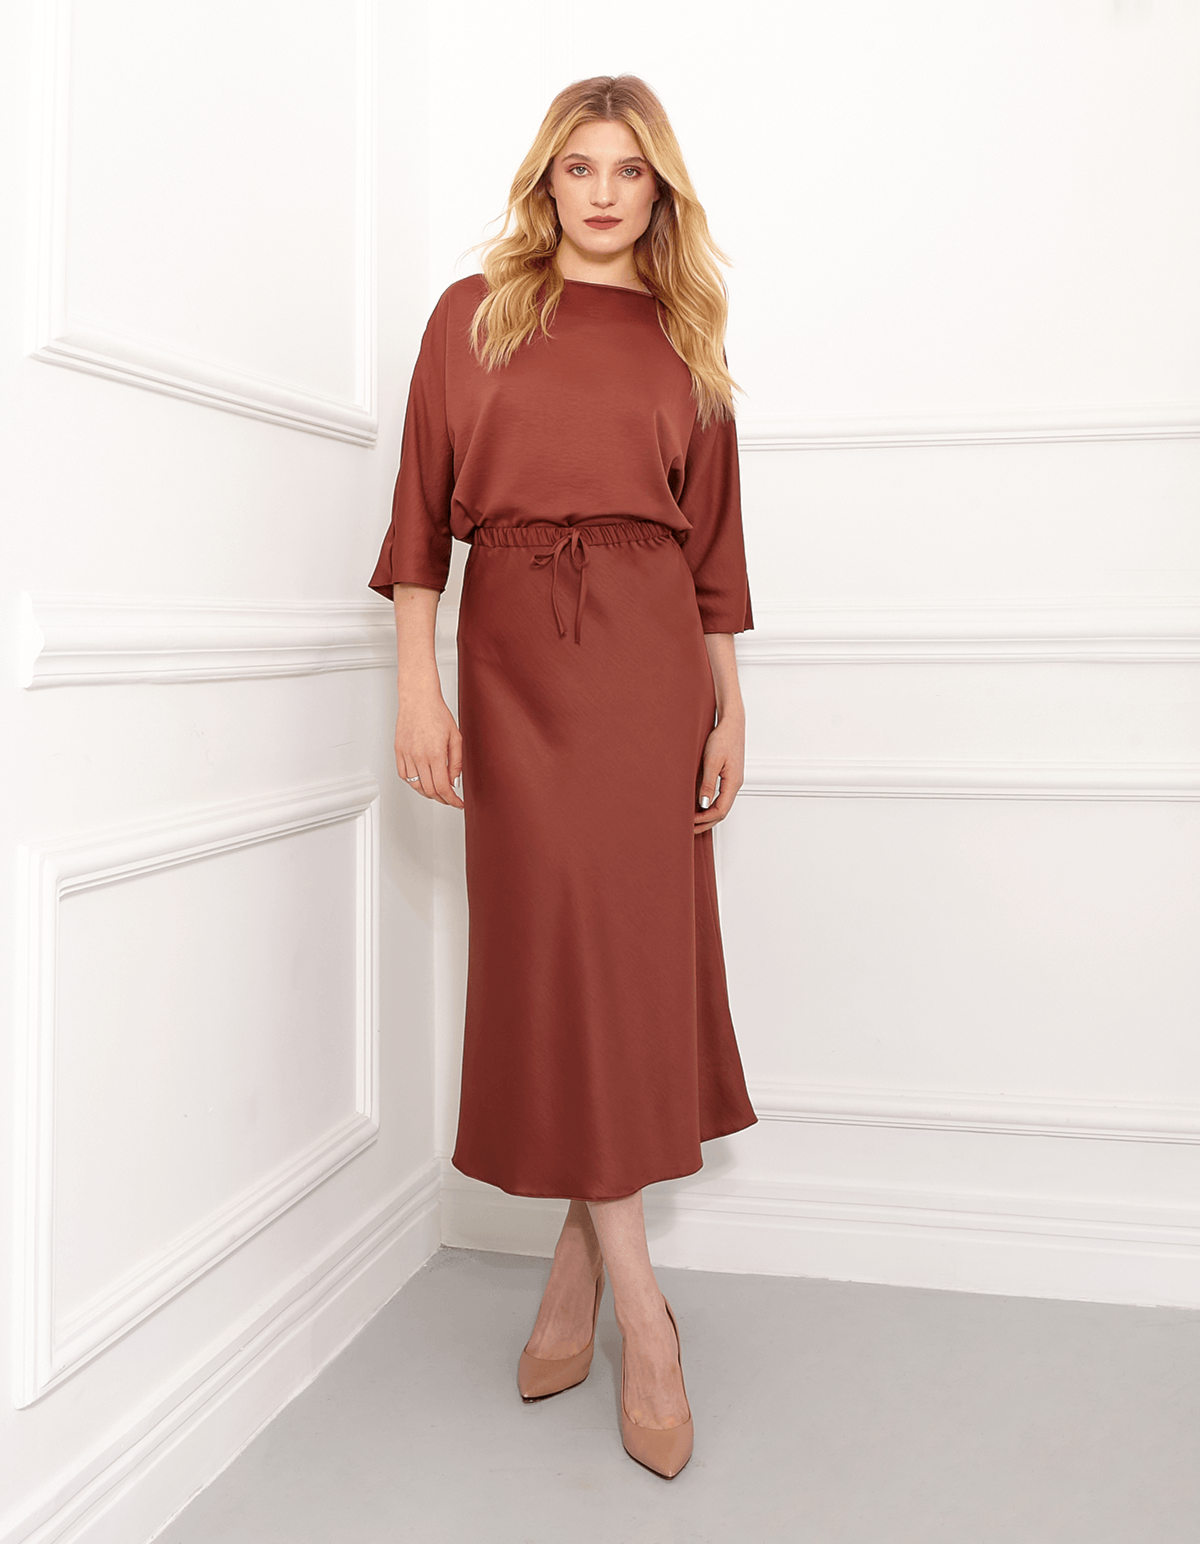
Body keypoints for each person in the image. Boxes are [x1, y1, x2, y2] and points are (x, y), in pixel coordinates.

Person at [368, 74, 757, 1480]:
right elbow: (420, 515)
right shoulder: (471, 315)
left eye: (629, 171)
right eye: (580, 167)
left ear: (660, 193)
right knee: (556, 957)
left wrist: (728, 702)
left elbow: (714, 541)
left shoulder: (685, 334)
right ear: (548, 181)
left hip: (650, 669)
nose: (603, 193)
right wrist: (418, 683)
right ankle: (646, 1315)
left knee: (627, 963)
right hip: (516, 663)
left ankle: (589, 1285)